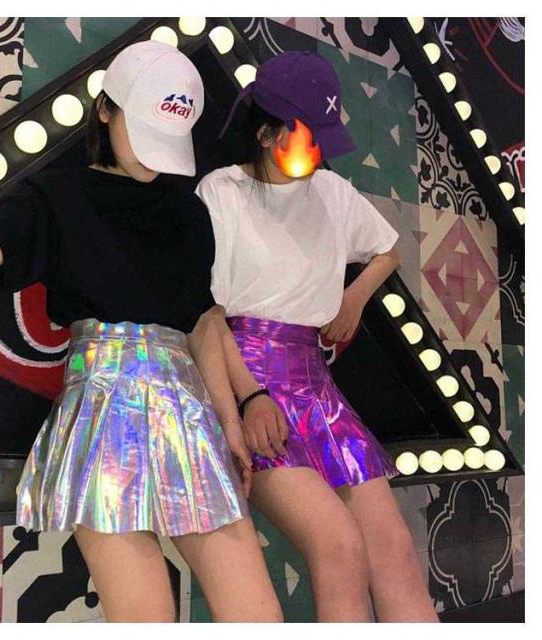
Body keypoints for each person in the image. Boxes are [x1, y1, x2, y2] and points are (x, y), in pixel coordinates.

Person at [0, 17, 282, 623]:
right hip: (103, 415)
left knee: (258, 619)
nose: (153, 158)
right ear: (104, 110)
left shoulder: (188, 213)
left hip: (189, 414)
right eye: (143, 131)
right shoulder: (59, 196)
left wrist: (229, 420)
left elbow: (201, 320)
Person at [196, 50, 439, 623]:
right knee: (338, 545)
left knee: (394, 550)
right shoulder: (221, 192)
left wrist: (353, 298)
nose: (320, 153)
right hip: (245, 376)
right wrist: (247, 399)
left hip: (315, 383)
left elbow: (387, 250)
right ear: (265, 133)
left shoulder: (331, 190)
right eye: (309, 137)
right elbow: (204, 314)